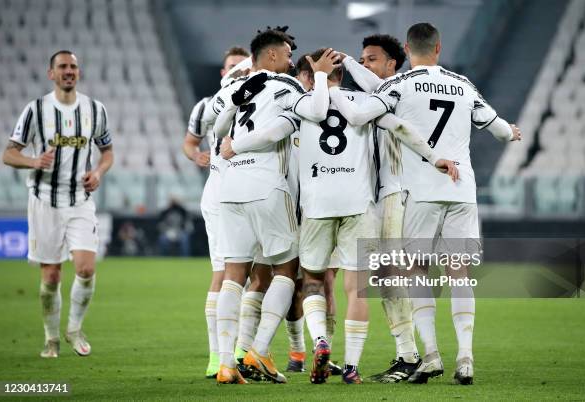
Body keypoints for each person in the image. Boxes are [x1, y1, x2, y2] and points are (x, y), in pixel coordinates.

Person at [220, 47, 457, 384]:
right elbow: (401, 126)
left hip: (316, 206)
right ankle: (351, 368)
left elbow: (270, 133)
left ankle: (318, 342)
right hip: (359, 204)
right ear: (342, 74)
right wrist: (435, 158)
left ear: (308, 75)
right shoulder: (362, 103)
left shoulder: (301, 104)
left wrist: (233, 146)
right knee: (356, 287)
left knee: (314, 279)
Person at [328, 22, 522, 385]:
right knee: (458, 273)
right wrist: (511, 131)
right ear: (438, 48)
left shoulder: (398, 86)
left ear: (406, 48)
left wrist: (335, 80)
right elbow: (499, 130)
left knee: (414, 272)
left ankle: (430, 354)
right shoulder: (463, 85)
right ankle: (465, 357)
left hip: (417, 191)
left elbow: (359, 113)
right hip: (461, 189)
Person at [212, 29, 339, 384]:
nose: (289, 60)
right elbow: (310, 112)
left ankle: (226, 364)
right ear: (270, 56)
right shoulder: (286, 85)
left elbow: (219, 124)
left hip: (230, 187)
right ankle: (259, 349)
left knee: (235, 274)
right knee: (288, 269)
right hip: (267, 184)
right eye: (286, 54)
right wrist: (321, 75)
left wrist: (231, 142)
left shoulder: (242, 88)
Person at [1, 50, 114, 358]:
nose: (69, 71)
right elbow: (9, 154)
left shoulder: (95, 109)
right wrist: (34, 161)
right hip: (44, 202)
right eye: (62, 66)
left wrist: (98, 172)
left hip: (80, 200)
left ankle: (74, 329)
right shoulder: (36, 110)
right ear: (51, 73)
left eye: (73, 66)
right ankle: (51, 338)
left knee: (86, 268)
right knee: (51, 276)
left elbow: (107, 153)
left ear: (79, 72)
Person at [342, 34, 422, 383]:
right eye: (362, 58)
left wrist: (344, 61)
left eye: (371, 58)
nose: (364, 64)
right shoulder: (378, 95)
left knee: (391, 276)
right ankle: (410, 353)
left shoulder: (396, 89)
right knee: (385, 276)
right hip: (380, 195)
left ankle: (411, 355)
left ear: (392, 62)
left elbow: (375, 84)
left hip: (398, 192)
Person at [182, 46, 250, 378]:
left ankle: (240, 351)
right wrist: (195, 155)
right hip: (222, 192)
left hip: (253, 192)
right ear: (223, 73)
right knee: (224, 273)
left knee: (252, 276)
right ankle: (218, 356)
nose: (236, 70)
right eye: (231, 67)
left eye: (241, 65)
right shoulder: (209, 105)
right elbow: (189, 142)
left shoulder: (258, 99)